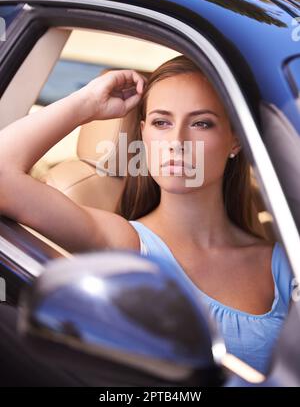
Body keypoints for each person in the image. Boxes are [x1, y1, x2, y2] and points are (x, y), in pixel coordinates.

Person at [0, 55, 293, 376]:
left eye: (201, 123)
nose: (177, 142)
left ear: (235, 139)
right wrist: (85, 103)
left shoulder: (283, 261)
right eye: (161, 122)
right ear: (143, 134)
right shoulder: (121, 241)